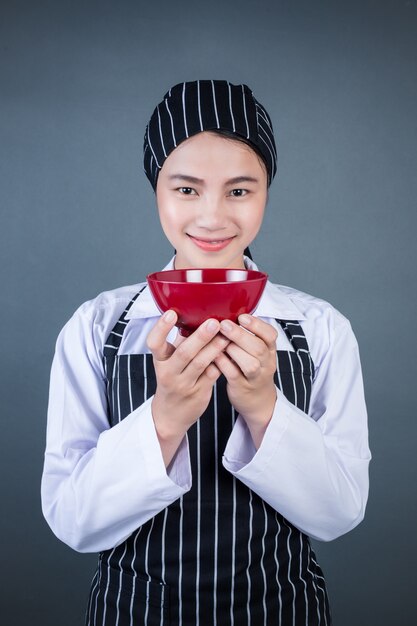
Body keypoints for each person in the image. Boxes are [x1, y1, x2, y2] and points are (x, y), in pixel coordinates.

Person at [41, 80, 371, 626]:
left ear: (268, 190)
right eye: (187, 189)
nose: (213, 217)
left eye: (240, 191)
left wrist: (264, 408)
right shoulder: (96, 326)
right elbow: (74, 521)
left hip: (284, 612)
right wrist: (164, 418)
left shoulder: (320, 328)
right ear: (156, 190)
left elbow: (338, 514)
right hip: (133, 612)